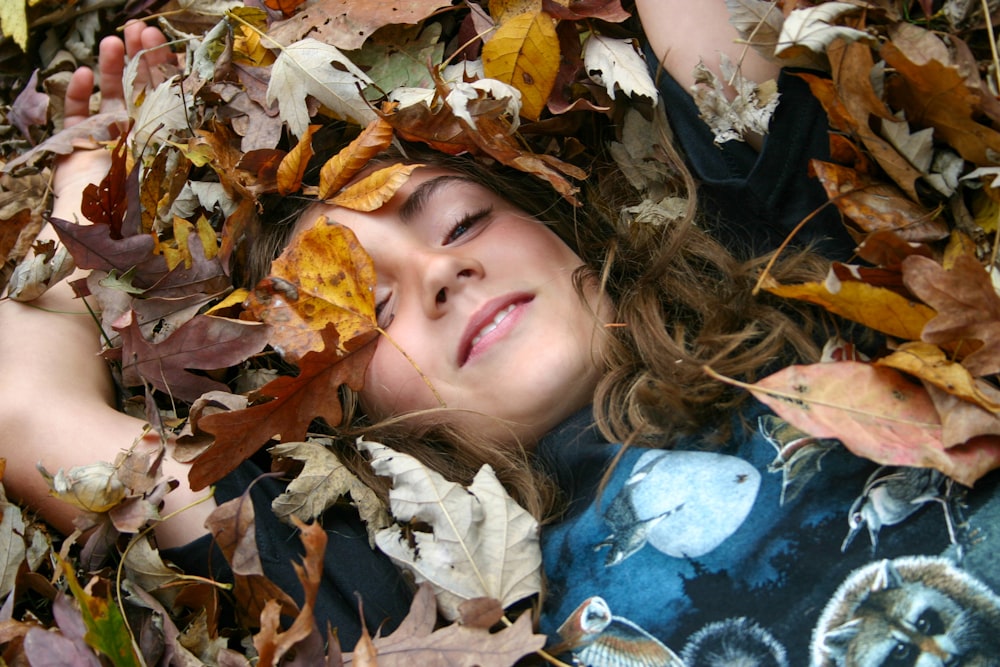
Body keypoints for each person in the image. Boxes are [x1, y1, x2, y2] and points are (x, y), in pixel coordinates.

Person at [2, 6, 998, 666]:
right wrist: (95, 210)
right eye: (369, 312)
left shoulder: (800, 279)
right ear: (348, 419)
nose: (439, 274)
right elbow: (32, 409)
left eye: (461, 221)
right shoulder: (402, 594)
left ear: (560, 223)